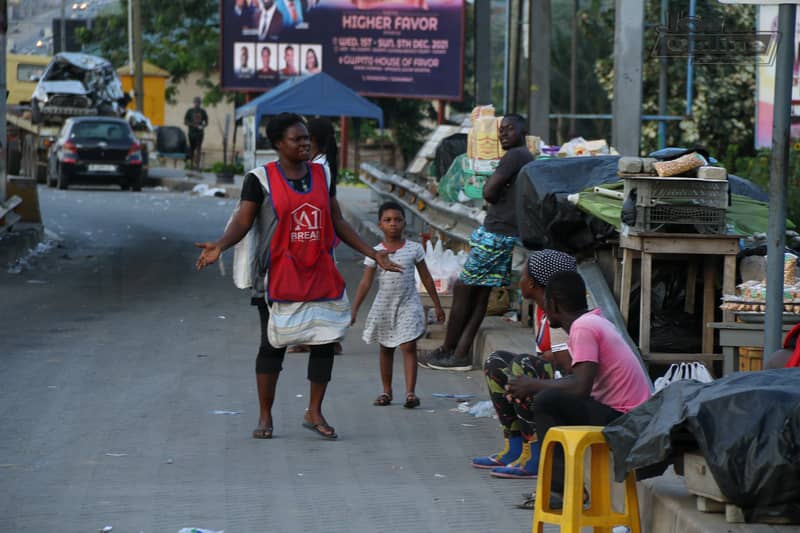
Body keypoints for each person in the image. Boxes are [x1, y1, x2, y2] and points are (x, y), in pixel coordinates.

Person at [195, 113, 400, 440]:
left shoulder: (322, 174)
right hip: (276, 275)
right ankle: (265, 415)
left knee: (324, 341)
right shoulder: (259, 179)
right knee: (272, 344)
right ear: (278, 144)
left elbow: (338, 221)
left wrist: (372, 252)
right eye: (297, 139)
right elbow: (244, 221)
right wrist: (221, 244)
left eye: (307, 138)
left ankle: (314, 410)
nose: (305, 143)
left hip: (319, 270)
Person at [506, 271, 652, 508]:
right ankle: (563, 485)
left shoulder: (583, 327)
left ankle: (559, 490)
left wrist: (533, 385)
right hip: (629, 415)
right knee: (549, 398)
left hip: (628, 420)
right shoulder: (594, 321)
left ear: (552, 304)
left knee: (546, 401)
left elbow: (580, 387)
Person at [421, 114, 534, 371]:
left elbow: (489, 191)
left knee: (464, 287)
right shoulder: (525, 157)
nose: (503, 134)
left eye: (509, 129)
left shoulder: (515, 156)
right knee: (480, 292)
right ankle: (460, 351)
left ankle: (448, 349)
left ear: (522, 130)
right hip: (506, 232)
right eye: (500, 130)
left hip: (495, 232)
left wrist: (494, 187)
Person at [471, 250, 577, 479]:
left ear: (531, 283)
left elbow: (567, 364)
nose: (519, 280)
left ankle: (536, 454)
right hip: (557, 379)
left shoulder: (560, 311)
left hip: (570, 387)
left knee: (523, 365)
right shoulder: (542, 309)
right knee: (496, 362)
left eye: (522, 275)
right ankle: (515, 446)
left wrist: (531, 367)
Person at [351, 202, 446, 409]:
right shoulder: (375, 252)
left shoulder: (414, 249)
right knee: (386, 347)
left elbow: (426, 278)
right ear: (380, 225)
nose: (393, 224)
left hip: (408, 303)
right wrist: (355, 309)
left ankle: (410, 393)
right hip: (385, 306)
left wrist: (437, 305)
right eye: (388, 220)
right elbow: (365, 282)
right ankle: (387, 391)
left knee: (409, 345)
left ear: (404, 223)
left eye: (398, 220)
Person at [286, 117, 340, 355]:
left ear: (314, 140)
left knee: (313, 288)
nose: (302, 143)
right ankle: (319, 336)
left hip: (315, 235)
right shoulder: (321, 164)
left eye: (305, 138)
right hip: (316, 233)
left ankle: (319, 337)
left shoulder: (319, 168)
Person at [183, 97, 208, 171]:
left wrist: (203, 125)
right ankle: (191, 165)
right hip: (191, 133)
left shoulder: (203, 111)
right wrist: (193, 125)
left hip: (199, 133)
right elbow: (185, 121)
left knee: (199, 149)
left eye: (198, 102)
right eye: (196, 102)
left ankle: (197, 166)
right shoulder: (190, 111)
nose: (197, 104)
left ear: (200, 103)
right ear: (193, 103)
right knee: (191, 149)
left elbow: (206, 122)